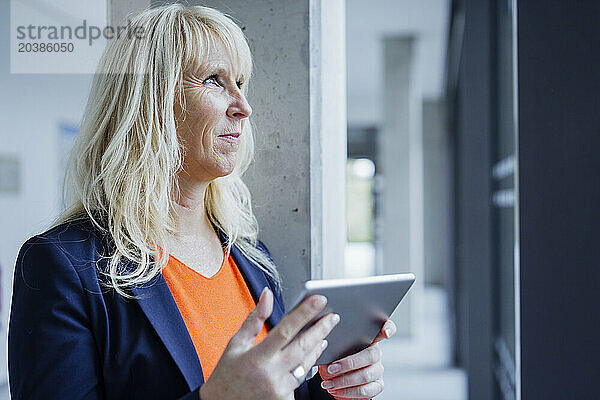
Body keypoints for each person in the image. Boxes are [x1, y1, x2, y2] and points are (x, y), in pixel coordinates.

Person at [8, 4, 397, 399]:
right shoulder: (62, 267)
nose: (243, 107)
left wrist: (335, 388)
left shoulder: (252, 259)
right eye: (214, 80)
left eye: (240, 83)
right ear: (149, 102)